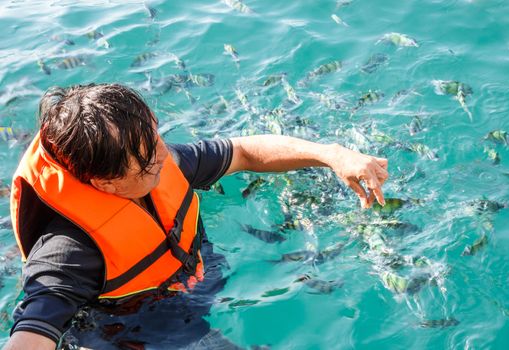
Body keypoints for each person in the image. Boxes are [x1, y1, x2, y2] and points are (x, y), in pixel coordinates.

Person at [5, 83, 388, 349]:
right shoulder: (67, 252)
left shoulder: (159, 160)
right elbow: (33, 330)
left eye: (155, 139)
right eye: (146, 162)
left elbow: (244, 153)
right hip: (139, 330)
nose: (163, 158)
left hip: (192, 282)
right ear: (105, 182)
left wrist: (332, 154)